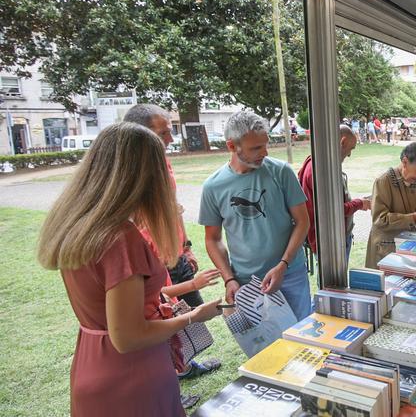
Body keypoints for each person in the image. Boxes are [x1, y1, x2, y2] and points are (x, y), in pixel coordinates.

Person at [37, 123, 222, 417]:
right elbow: (128, 337)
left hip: (92, 362)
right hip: (133, 375)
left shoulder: (78, 226)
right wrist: (194, 316)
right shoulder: (120, 238)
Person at [123, 104, 222, 388]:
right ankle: (171, 381)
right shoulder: (131, 177)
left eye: (170, 131)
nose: (170, 139)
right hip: (153, 262)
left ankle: (183, 366)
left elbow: (172, 211)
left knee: (182, 318)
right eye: (162, 133)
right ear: (140, 135)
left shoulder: (163, 163)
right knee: (164, 323)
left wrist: (186, 247)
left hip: (174, 255)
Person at [199, 110, 312, 322]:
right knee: (264, 346)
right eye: (256, 148)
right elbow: (212, 239)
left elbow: (302, 221)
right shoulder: (213, 186)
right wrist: (229, 279)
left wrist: (283, 264)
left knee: (300, 338)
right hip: (246, 282)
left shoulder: (281, 172)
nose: (265, 153)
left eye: (265, 145)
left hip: (290, 274)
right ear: (232, 146)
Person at [298, 125, 372, 263]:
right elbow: (332, 210)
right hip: (330, 242)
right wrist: (360, 203)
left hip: (333, 239)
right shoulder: (321, 169)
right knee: (333, 283)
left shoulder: (317, 162)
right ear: (342, 142)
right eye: (351, 149)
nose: (349, 154)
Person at [366, 142, 416, 269]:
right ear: (405, 162)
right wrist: (412, 217)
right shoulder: (383, 181)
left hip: (410, 247)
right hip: (387, 250)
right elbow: (380, 219)